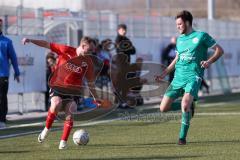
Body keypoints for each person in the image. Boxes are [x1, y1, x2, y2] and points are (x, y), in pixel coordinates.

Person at [155, 10, 224, 145]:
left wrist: (209, 61)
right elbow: (177, 58)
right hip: (177, 78)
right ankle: (189, 107)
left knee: (184, 104)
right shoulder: (180, 40)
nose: (178, 27)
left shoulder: (201, 36)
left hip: (193, 77)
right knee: (163, 108)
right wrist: (164, 73)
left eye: (180, 24)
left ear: (187, 22)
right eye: (177, 24)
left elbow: (220, 50)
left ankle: (182, 138)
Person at [22, 36, 100, 149]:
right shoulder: (66, 50)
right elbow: (46, 44)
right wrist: (31, 40)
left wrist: (96, 98)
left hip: (73, 91)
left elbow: (90, 82)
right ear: (83, 46)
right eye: (90, 50)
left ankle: (63, 143)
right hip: (57, 86)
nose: (91, 53)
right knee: (56, 103)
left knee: (70, 111)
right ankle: (46, 130)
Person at [0, 18, 20, 128]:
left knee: (2, 97)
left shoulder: (7, 41)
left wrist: (17, 72)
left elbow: (13, 58)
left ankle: (2, 120)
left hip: (3, 75)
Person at [114, 24, 136, 108]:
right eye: (122, 30)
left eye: (125, 30)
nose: (124, 31)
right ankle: (119, 102)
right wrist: (128, 48)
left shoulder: (126, 39)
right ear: (118, 30)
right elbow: (121, 49)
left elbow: (133, 50)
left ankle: (124, 102)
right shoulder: (118, 39)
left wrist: (127, 48)